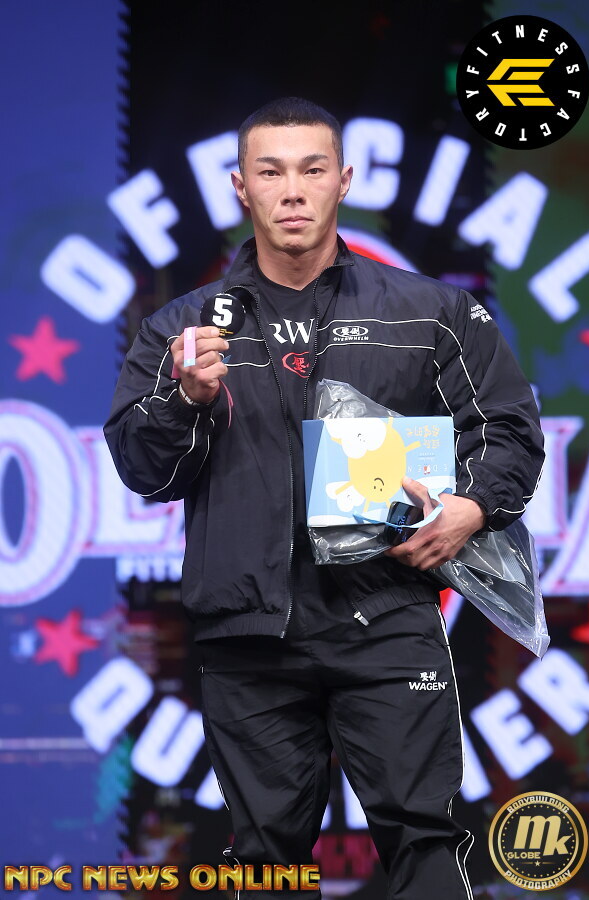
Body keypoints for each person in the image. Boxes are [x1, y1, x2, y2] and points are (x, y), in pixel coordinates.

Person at [105, 97, 544, 899]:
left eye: (312, 169)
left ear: (343, 180)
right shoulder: (182, 329)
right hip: (247, 633)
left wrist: (473, 507)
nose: (293, 190)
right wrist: (186, 401)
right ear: (241, 186)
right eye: (271, 172)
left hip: (389, 619)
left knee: (425, 842)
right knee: (265, 863)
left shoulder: (432, 311)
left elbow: (510, 430)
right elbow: (143, 469)